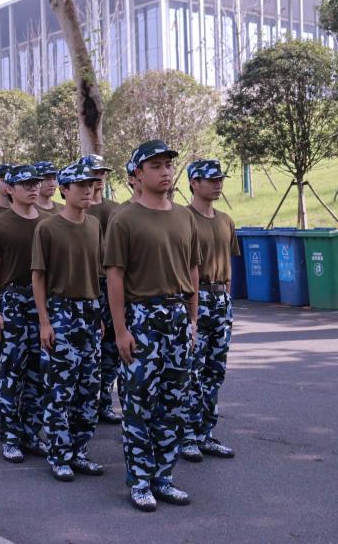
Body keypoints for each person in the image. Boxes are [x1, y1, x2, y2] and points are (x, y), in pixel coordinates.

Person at [104, 140, 200, 512]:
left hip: (177, 317)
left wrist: (193, 319)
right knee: (139, 404)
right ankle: (140, 481)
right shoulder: (124, 218)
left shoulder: (184, 217)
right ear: (138, 174)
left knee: (173, 404)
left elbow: (193, 269)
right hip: (142, 317)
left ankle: (164, 477)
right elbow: (115, 276)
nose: (165, 172)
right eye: (156, 166)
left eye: (168, 165)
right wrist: (120, 330)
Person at [32, 162, 105, 482]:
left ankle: (79, 451)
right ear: (64, 189)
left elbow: (98, 274)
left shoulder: (94, 225)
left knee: (89, 389)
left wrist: (99, 315)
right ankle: (59, 455)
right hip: (61, 312)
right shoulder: (47, 228)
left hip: (90, 311)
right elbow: (38, 277)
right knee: (60, 389)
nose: (88, 190)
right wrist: (44, 322)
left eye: (91, 185)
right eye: (80, 186)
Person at [0, 164, 49, 463]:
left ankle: (31, 433)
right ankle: (10, 437)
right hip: (13, 301)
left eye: (36, 183)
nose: (33, 188)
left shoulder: (47, 222)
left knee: (38, 373)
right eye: (26, 184)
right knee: (11, 373)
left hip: (42, 303)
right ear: (10, 189)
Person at [180, 159, 238, 462]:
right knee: (192, 371)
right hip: (195, 297)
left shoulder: (226, 220)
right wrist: (190, 310)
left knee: (215, 371)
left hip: (220, 300)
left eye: (220, 179)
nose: (218, 184)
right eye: (211, 180)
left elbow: (228, 265)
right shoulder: (183, 219)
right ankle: (186, 435)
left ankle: (205, 433)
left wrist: (227, 300)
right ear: (194, 183)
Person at [80, 154, 124, 426]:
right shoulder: (78, 208)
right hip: (87, 284)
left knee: (111, 349)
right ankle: (84, 405)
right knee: (88, 348)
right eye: (92, 173)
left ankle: (104, 402)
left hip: (111, 283)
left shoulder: (116, 210)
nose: (98, 178)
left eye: (101, 172)